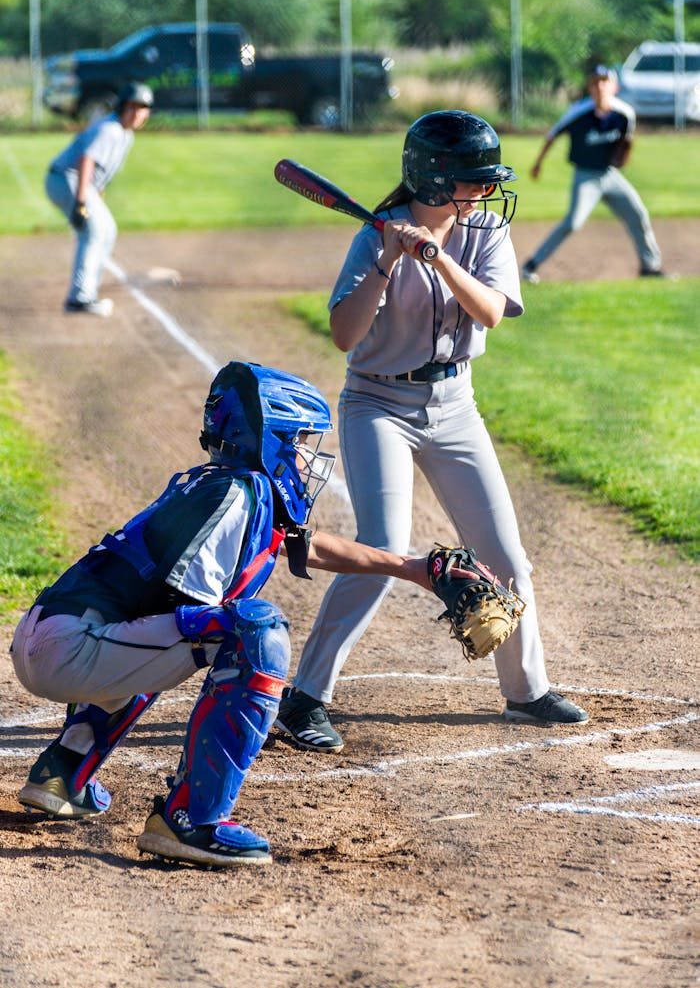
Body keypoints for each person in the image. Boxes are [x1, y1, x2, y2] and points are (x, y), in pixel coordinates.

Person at [9, 361, 466, 869]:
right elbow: (188, 610)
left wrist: (413, 568)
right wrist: (238, 674)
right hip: (76, 648)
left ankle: (62, 771)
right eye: (295, 441)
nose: (302, 457)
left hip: (55, 634)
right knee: (253, 629)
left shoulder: (218, 486)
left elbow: (301, 546)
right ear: (267, 436)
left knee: (174, 633)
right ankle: (192, 820)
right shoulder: (237, 494)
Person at [275, 109, 588, 755]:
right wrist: (390, 258)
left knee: (505, 556)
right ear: (437, 180)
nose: (485, 190)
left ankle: (526, 690)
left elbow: (493, 312)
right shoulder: (374, 238)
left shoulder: (486, 231)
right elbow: (343, 336)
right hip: (376, 404)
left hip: (455, 406)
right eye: (474, 179)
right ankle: (304, 696)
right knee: (383, 544)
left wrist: (438, 258)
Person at [521, 64, 665, 284]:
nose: (600, 86)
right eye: (595, 82)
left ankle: (650, 266)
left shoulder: (624, 113)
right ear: (589, 87)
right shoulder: (578, 112)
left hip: (610, 175)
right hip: (586, 176)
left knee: (639, 214)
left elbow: (627, 140)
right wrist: (538, 163)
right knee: (573, 222)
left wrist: (624, 155)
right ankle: (531, 265)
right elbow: (552, 135)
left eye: (604, 81)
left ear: (614, 86)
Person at [45, 81, 154, 317]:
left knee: (108, 229)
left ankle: (88, 291)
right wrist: (81, 201)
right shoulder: (110, 129)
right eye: (132, 107)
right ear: (122, 107)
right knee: (93, 232)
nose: (136, 113)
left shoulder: (125, 135)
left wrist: (94, 199)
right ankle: (80, 298)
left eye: (142, 108)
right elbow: (87, 160)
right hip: (66, 179)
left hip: (76, 183)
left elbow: (101, 175)